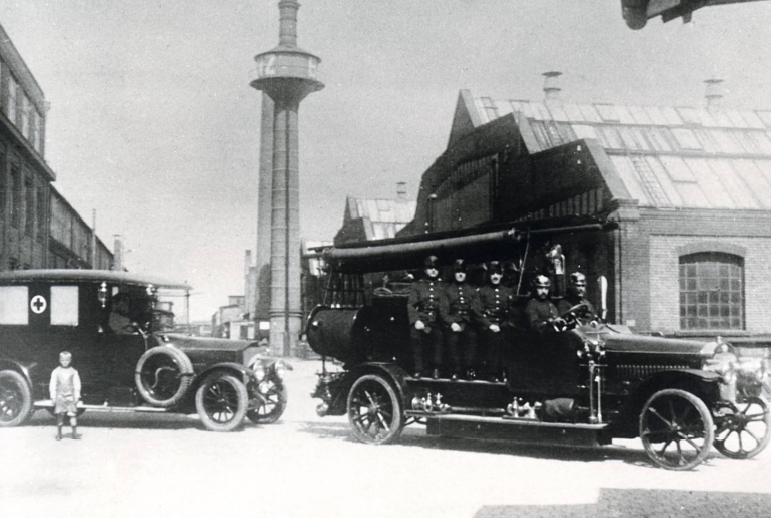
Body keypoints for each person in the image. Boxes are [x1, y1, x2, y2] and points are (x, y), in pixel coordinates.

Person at [407, 256, 448, 379]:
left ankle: (436, 368)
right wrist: (416, 321)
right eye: (430, 268)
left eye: (436, 268)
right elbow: (411, 305)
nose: (433, 271)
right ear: (425, 270)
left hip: (437, 320)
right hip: (422, 320)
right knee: (415, 335)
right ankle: (418, 369)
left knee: (439, 336)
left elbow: (445, 306)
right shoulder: (417, 286)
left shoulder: (443, 286)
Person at [441, 259, 481, 380]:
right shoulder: (447, 290)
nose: (460, 274)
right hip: (453, 322)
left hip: (468, 322)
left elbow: (477, 308)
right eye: (458, 271)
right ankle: (455, 370)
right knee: (452, 338)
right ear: (454, 273)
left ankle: (469, 369)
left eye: (463, 271)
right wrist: (452, 323)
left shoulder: (472, 290)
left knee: (472, 336)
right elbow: (443, 311)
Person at [477, 261, 514, 382]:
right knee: (494, 337)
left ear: (502, 275)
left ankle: (505, 371)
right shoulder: (482, 291)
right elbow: (477, 312)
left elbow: (511, 312)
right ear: (489, 275)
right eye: (492, 273)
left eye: (498, 273)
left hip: (503, 325)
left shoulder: (507, 292)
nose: (495, 276)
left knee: (507, 336)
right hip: (487, 326)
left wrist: (503, 325)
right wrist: (489, 325)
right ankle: (492, 372)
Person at [49, 351, 82, 441]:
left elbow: (76, 384)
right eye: (63, 360)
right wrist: (53, 396)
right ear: (59, 360)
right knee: (60, 416)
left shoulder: (73, 372)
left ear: (70, 360)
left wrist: (77, 396)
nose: (65, 362)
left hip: (70, 396)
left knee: (72, 415)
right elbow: (53, 384)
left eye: (67, 360)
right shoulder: (56, 371)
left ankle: (74, 433)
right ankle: (59, 434)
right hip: (60, 397)